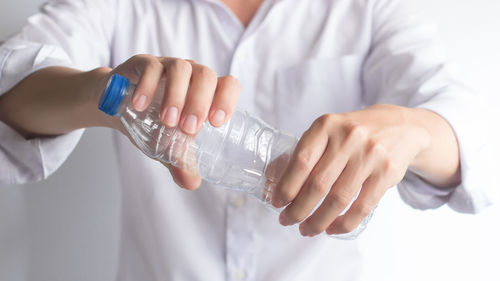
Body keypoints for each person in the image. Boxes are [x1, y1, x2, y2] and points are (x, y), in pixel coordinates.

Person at [0, 0, 495, 280]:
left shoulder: (366, 9)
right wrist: (100, 91)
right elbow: (11, 92)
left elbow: (475, 141)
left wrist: (409, 128)